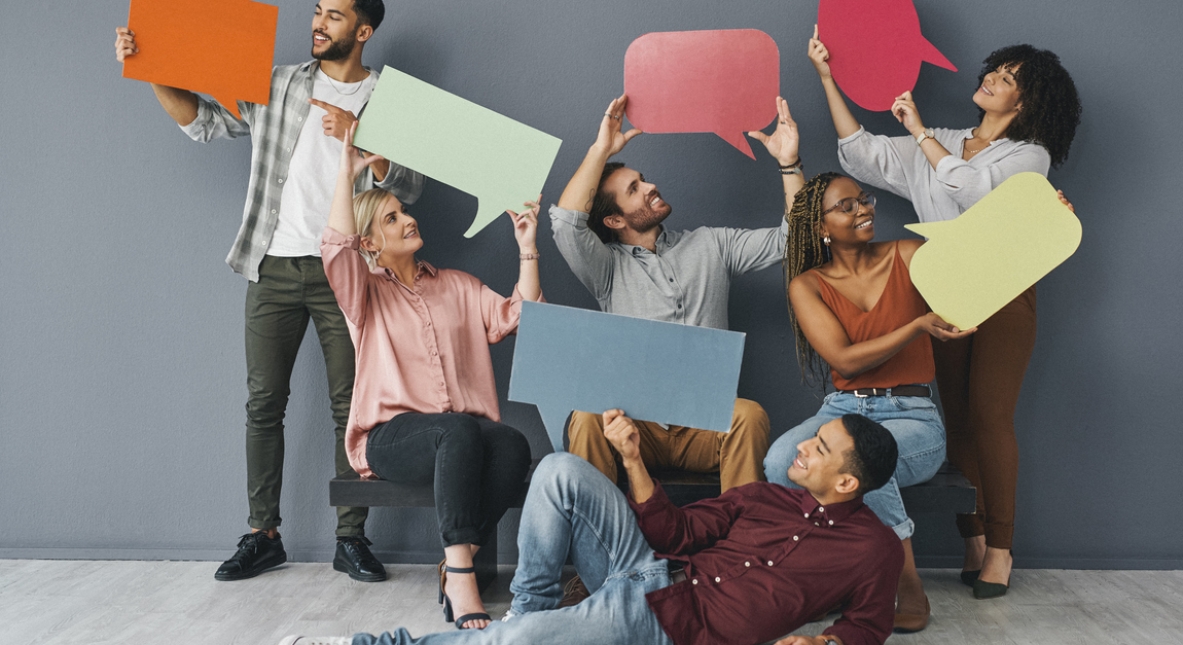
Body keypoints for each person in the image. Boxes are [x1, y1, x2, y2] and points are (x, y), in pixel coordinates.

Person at [114, 0, 425, 582]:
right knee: (263, 405)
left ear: (363, 30)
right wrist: (151, 64)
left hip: (348, 272)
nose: (318, 22)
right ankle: (263, 534)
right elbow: (204, 122)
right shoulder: (277, 83)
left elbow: (413, 185)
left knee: (353, 410)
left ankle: (351, 538)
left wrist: (359, 140)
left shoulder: (391, 97)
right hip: (274, 267)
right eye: (316, 11)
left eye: (334, 15)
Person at [808, 27, 1082, 599]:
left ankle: (1002, 548)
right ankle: (973, 537)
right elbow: (862, 151)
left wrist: (918, 133)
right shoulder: (942, 138)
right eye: (996, 69)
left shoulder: (1030, 155)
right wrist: (828, 78)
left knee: (990, 416)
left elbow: (975, 193)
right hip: (943, 292)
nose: (991, 79)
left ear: (1025, 102)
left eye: (1007, 79)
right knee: (954, 418)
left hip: (1005, 291)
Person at [281, 410, 903, 645]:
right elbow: (677, 536)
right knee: (557, 469)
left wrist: (826, 644)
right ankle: (533, 610)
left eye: (819, 448)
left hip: (672, 625)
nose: (802, 449)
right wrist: (632, 458)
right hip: (653, 575)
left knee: (519, 644)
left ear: (848, 482)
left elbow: (869, 625)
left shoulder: (871, 549)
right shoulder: (766, 495)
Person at [321, 124, 538, 630]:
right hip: (390, 438)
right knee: (455, 426)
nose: (408, 219)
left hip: (460, 437)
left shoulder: (458, 286)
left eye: (405, 211)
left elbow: (517, 316)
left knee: (510, 444)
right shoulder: (364, 295)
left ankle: (459, 559)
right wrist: (345, 171)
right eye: (391, 218)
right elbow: (336, 249)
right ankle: (461, 577)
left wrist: (527, 246)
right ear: (371, 244)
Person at [549, 95, 805, 493]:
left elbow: (792, 241)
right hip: (638, 429)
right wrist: (601, 150)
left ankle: (742, 548)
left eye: (643, 178)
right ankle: (600, 544)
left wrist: (789, 164)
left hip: (707, 423)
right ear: (615, 220)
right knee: (585, 416)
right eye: (635, 189)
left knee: (749, 415)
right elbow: (567, 224)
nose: (651, 186)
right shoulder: (606, 268)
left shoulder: (711, 244)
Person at [762, 172, 976, 632]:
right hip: (841, 410)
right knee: (781, 461)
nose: (864, 210)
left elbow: (980, 263)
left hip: (912, 414)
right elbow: (844, 360)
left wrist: (1038, 224)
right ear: (821, 226)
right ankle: (827, 578)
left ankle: (905, 583)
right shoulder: (808, 285)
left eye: (864, 200)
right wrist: (916, 327)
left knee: (858, 462)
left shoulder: (908, 254)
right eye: (847, 206)